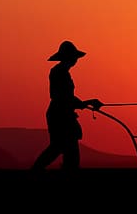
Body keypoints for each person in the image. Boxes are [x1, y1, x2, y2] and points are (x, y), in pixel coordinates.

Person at [32, 40, 103, 171]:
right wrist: (86, 103)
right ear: (69, 58)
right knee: (61, 147)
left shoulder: (61, 72)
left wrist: (85, 103)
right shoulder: (59, 72)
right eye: (73, 57)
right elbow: (62, 97)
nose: (76, 60)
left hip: (61, 114)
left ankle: (38, 170)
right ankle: (37, 170)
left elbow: (67, 97)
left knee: (62, 147)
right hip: (60, 115)